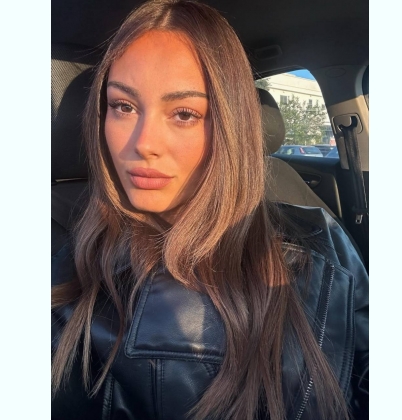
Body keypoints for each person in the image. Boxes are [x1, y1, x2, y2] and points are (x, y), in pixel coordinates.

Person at [51, 1, 369, 419]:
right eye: (123, 106)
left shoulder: (324, 242)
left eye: (184, 114)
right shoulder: (70, 268)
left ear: (230, 124)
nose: (143, 143)